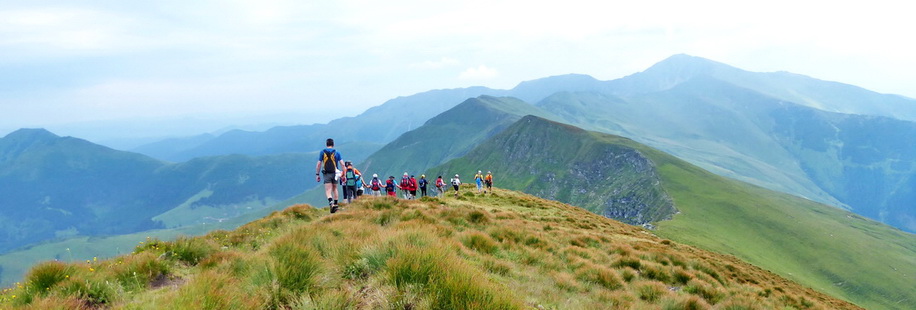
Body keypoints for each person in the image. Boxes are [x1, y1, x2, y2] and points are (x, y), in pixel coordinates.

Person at [316, 138, 345, 213]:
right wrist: (343, 175)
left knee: (328, 190)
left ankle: (331, 203)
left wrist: (317, 174)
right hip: (335, 174)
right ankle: (336, 205)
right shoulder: (337, 152)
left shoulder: (322, 152)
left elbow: (319, 164)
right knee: (335, 189)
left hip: (326, 173)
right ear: (333, 144)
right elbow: (342, 164)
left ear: (326, 144)